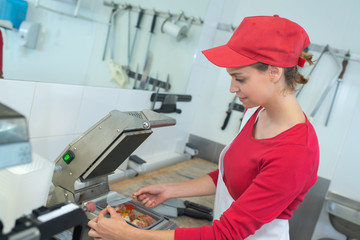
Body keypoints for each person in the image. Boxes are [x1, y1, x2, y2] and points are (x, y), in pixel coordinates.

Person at [88, 14, 319, 240]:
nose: (232, 88)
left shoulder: (296, 151)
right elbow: (232, 176)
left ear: (274, 71)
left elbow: (226, 234)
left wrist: (130, 235)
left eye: (239, 78)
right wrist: (172, 189)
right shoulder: (257, 112)